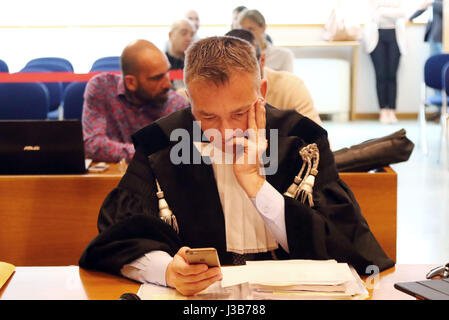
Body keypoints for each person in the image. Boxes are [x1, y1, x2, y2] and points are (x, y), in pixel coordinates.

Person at [79, 36, 394, 296]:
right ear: (189, 100)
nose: (226, 131)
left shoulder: (302, 141)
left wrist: (255, 183)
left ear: (262, 92)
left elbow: (345, 240)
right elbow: (116, 239)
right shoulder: (161, 144)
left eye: (240, 113)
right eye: (208, 117)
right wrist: (168, 271)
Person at [82, 40, 188, 163]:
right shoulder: (102, 88)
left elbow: (176, 155)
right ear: (130, 82)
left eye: (167, 73)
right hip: (108, 178)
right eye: (157, 78)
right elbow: (93, 145)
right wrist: (147, 153)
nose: (167, 84)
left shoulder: (176, 105)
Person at [226, 29, 322, 126]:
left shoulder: (291, 86)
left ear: (262, 61)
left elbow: (317, 137)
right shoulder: (215, 90)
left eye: (247, 67)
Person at [363, 0, 407, 124]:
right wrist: (392, 12)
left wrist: (382, 10)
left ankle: (392, 110)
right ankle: (383, 111)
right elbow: (373, 15)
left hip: (395, 36)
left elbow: (403, 13)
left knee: (392, 75)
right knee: (381, 75)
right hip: (376, 36)